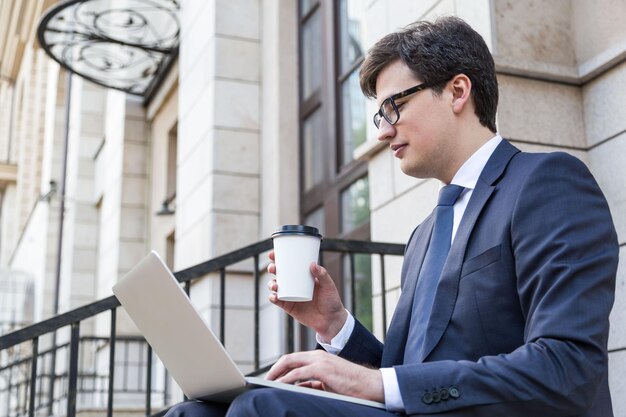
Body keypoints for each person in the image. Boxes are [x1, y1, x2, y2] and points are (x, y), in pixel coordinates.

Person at [165, 16, 618, 417]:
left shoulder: (546, 182)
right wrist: (335, 325)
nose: (382, 131)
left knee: (263, 405)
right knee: (196, 410)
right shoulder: (424, 235)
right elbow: (404, 375)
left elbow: (568, 366)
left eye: (392, 107)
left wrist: (378, 384)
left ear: (458, 91)